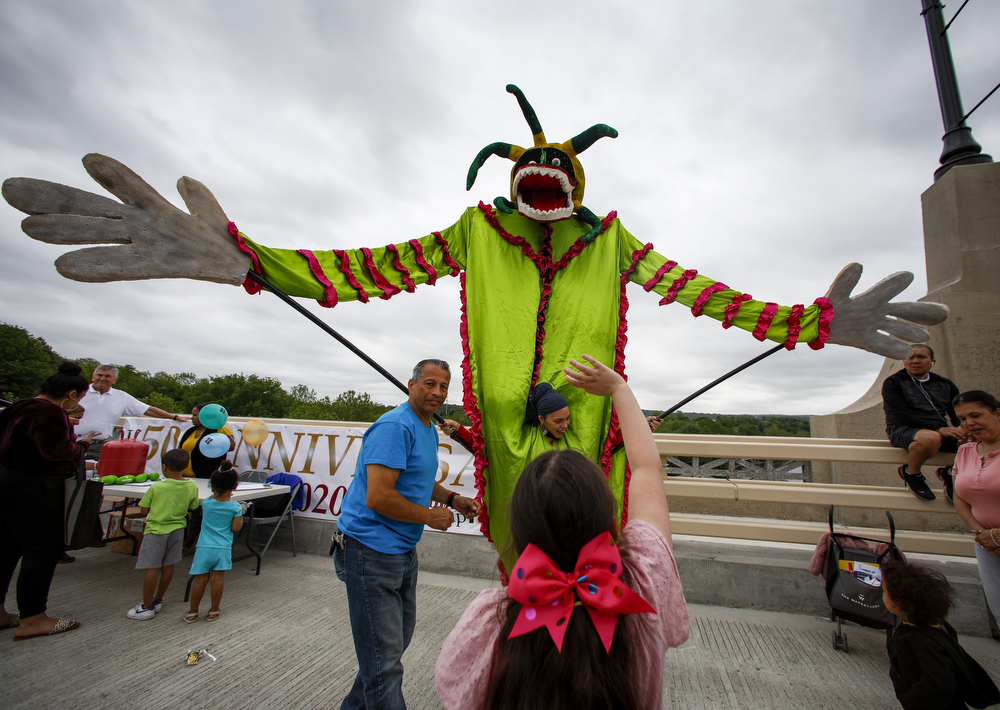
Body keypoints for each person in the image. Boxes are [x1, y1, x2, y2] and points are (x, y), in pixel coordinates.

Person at [435, 354, 689, 709]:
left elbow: (456, 687)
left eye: (568, 419)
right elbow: (644, 467)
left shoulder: (491, 619)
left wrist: (641, 422)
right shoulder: (642, 592)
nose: (564, 424)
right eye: (558, 419)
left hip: (533, 576)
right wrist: (618, 390)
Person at [331, 358, 481, 710]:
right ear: (411, 385)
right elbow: (379, 496)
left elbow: (416, 479)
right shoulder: (394, 427)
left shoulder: (426, 427)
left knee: (389, 649)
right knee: (384, 664)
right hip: (369, 551)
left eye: (443, 386)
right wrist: (429, 516)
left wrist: (452, 498)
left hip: (401, 550)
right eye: (429, 384)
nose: (437, 392)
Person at [0, 361, 93, 639]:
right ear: (72, 394)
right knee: (41, 550)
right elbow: (57, 451)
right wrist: (83, 444)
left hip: (7, 480)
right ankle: (33, 618)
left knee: (7, 547)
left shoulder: (17, 406)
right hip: (36, 487)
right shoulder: (49, 412)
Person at [882, 558, 999, 710]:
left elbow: (940, 681)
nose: (882, 595)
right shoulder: (928, 626)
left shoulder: (923, 640)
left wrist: (910, 700)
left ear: (900, 603)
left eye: (885, 592)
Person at [882, 345, 965, 501]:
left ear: (932, 361)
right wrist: (939, 429)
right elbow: (901, 415)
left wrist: (963, 428)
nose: (915, 361)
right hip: (903, 429)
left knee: (970, 439)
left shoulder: (946, 384)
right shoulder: (894, 382)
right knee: (931, 438)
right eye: (910, 357)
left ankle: (949, 473)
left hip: (940, 430)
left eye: (921, 357)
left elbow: (957, 414)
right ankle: (911, 473)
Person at [126, 448, 200, 620]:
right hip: (178, 529)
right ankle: (158, 599)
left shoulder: (157, 486)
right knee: (168, 566)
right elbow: (193, 507)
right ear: (187, 465)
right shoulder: (191, 485)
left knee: (152, 569)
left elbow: (144, 509)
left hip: (156, 530)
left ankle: (146, 606)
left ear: (164, 467)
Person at [950, 390, 1000, 620]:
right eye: (962, 419)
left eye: (976, 415)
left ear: (997, 413)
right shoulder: (965, 451)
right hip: (986, 547)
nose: (969, 423)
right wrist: (982, 534)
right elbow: (959, 496)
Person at [75, 364, 190, 456]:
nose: (102, 379)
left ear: (115, 380)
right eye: (99, 375)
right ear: (92, 377)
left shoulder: (121, 396)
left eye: (107, 376)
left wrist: (174, 417)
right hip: (73, 443)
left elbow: (148, 410)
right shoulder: (78, 392)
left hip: (100, 446)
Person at [184, 462, 242, 623]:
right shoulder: (235, 507)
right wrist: (241, 512)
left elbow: (213, 496)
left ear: (212, 486)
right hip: (222, 548)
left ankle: (192, 612)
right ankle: (214, 610)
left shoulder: (207, 504)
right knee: (217, 580)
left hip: (203, 547)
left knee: (199, 580)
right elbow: (236, 528)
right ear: (235, 486)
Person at [180, 403, 235, 478]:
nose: (192, 418)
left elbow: (232, 446)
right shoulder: (190, 431)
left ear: (205, 416)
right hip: (185, 476)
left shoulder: (219, 428)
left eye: (195, 415)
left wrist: (216, 443)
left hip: (206, 476)